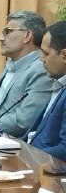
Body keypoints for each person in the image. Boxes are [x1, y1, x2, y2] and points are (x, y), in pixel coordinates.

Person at [0, 11, 55, 137]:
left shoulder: (42, 69)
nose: (0, 38)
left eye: (7, 32)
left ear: (27, 35)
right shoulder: (12, 64)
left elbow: (24, 121)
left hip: (14, 145)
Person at [27, 21, 66, 161]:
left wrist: (25, 156)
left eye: (45, 53)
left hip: (48, 169)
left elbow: (64, 150)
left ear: (64, 55)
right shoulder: (60, 84)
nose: (41, 59)